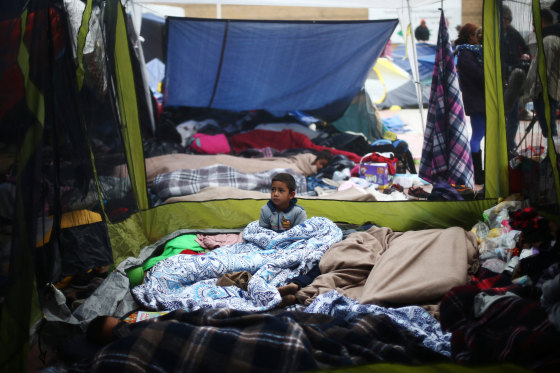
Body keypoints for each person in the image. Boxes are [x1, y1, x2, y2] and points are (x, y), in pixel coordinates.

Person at [455, 23, 486, 184]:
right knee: (477, 135)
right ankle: (477, 173)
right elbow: (479, 76)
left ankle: (479, 172)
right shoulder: (466, 54)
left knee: (480, 134)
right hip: (476, 100)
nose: (478, 38)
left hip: (478, 99)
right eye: (476, 35)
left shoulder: (471, 52)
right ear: (469, 36)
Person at [501, 5, 531, 153]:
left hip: (515, 78)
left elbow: (526, 48)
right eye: (504, 18)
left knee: (513, 116)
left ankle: (510, 146)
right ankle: (506, 146)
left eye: (509, 19)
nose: (507, 21)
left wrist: (526, 55)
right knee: (504, 116)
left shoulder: (513, 33)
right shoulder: (494, 34)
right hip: (501, 79)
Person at [525, 9, 559, 139]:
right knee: (549, 127)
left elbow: (543, 71)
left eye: (534, 24)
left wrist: (535, 90)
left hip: (544, 92)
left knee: (549, 128)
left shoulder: (548, 41)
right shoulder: (550, 39)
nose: (533, 29)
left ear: (542, 21)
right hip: (549, 90)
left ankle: (553, 156)